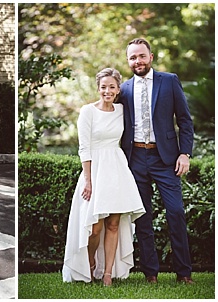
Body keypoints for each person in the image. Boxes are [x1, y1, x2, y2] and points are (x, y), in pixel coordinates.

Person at [118, 38, 195, 285]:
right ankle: (150, 273)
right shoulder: (125, 89)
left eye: (141, 56)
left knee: (175, 213)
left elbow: (185, 120)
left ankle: (183, 273)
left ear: (151, 56)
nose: (137, 61)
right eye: (132, 57)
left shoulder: (169, 81)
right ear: (128, 61)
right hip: (136, 158)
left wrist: (185, 153)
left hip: (166, 159)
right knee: (143, 218)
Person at [62, 68, 146, 286]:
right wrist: (88, 180)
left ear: (118, 90)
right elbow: (84, 148)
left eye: (111, 87)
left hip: (117, 168)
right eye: (103, 87)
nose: (107, 91)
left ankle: (108, 272)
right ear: (98, 88)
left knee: (114, 224)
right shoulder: (87, 111)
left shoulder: (122, 111)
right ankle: (90, 264)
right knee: (95, 226)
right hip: (95, 170)